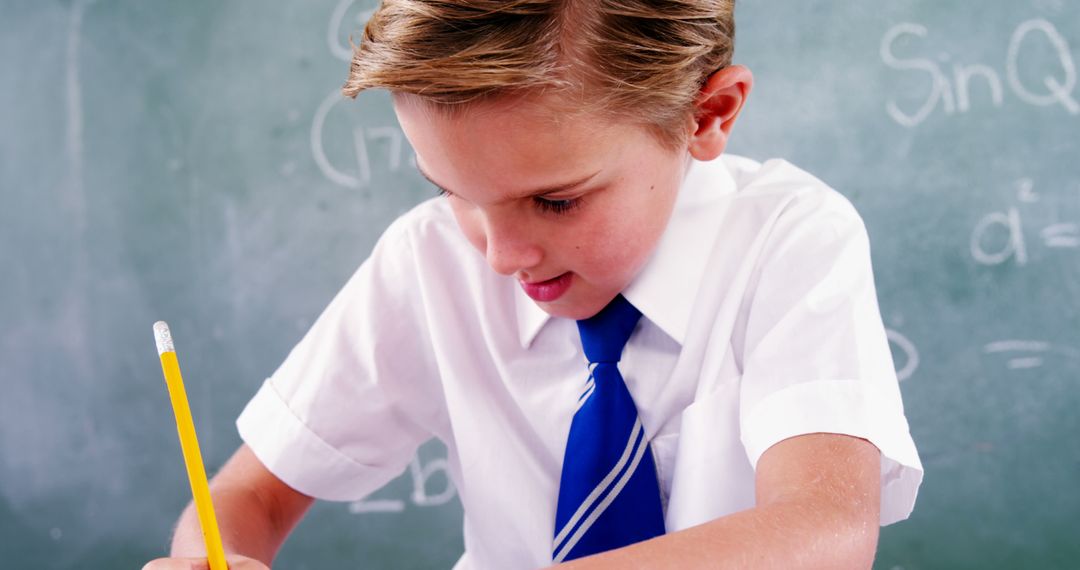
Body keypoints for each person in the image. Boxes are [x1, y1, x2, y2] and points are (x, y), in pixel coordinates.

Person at [145, 0, 922, 568]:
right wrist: (208, 558)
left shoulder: (790, 238)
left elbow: (825, 530)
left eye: (556, 200)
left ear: (708, 114)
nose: (500, 255)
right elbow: (250, 497)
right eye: (450, 192)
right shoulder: (427, 261)